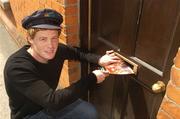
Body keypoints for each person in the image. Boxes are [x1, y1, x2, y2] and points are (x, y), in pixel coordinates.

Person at [4, 9, 121, 119]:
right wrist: (93, 77)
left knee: (90, 113)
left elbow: (78, 53)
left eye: (54, 38)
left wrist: (100, 59)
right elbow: (53, 101)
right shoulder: (17, 67)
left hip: (50, 104)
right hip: (30, 114)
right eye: (43, 39)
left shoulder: (58, 50)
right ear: (30, 39)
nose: (50, 45)